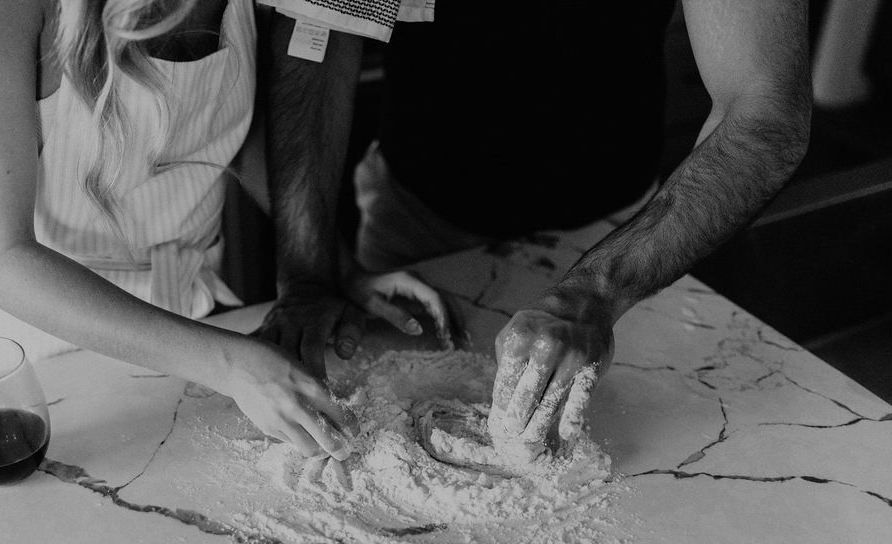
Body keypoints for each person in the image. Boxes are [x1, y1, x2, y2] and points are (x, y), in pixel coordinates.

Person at [259, 0, 812, 447]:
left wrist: (596, 291)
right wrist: (307, 269)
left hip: (631, 238)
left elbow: (764, 111)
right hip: (417, 225)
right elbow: (320, 35)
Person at [0, 0, 446, 460]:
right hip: (28, 376)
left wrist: (329, 268)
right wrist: (232, 365)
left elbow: (234, 131)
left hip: (193, 339)